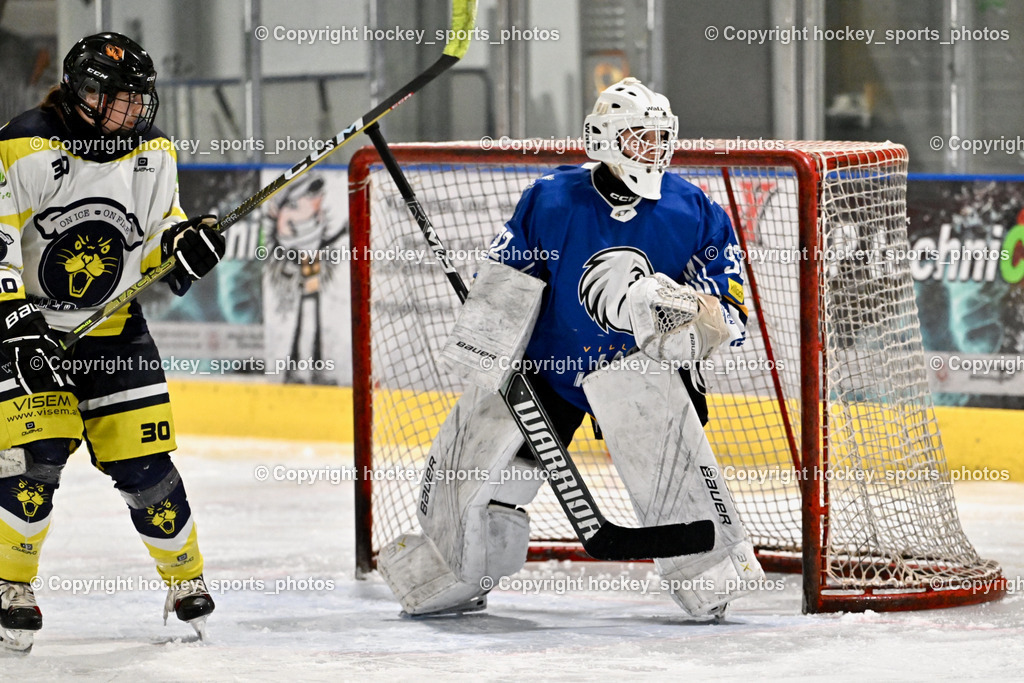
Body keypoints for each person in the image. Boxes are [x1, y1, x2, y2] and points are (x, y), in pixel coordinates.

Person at [378, 77, 765, 618]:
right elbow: (507, 285)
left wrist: (696, 318)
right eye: (638, 138)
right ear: (604, 139)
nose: (653, 151)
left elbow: (731, 311)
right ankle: (456, 571)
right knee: (487, 483)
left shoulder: (693, 209)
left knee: (680, 492)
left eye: (660, 138)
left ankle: (710, 574)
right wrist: (489, 344)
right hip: (549, 373)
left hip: (644, 375)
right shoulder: (551, 199)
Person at [0, 32, 225, 651]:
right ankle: (9, 584)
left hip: (116, 332)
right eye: (117, 99)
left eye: (137, 100)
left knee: (148, 468)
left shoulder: (154, 152)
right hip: (30, 334)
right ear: (82, 93)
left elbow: (157, 234)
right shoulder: (22, 145)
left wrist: (185, 246)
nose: (132, 112)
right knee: (33, 466)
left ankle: (186, 580)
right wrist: (15, 320)